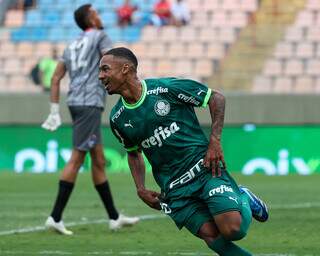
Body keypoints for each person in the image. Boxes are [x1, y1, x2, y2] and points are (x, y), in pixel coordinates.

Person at [98, 47, 269, 255]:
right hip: (175, 189)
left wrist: (214, 141)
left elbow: (215, 98)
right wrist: (140, 188)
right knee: (211, 234)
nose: (101, 76)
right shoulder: (118, 118)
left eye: (105, 69)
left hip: (204, 169)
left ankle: (243, 197)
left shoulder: (166, 89)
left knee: (232, 229)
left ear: (125, 68)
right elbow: (134, 153)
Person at [41, 5, 139, 235]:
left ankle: (114, 217)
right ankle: (55, 217)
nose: (99, 16)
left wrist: (54, 110)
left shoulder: (72, 44)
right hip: (90, 103)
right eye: (95, 13)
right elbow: (113, 62)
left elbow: (56, 78)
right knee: (77, 158)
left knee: (98, 160)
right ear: (90, 19)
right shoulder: (100, 36)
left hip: (75, 102)